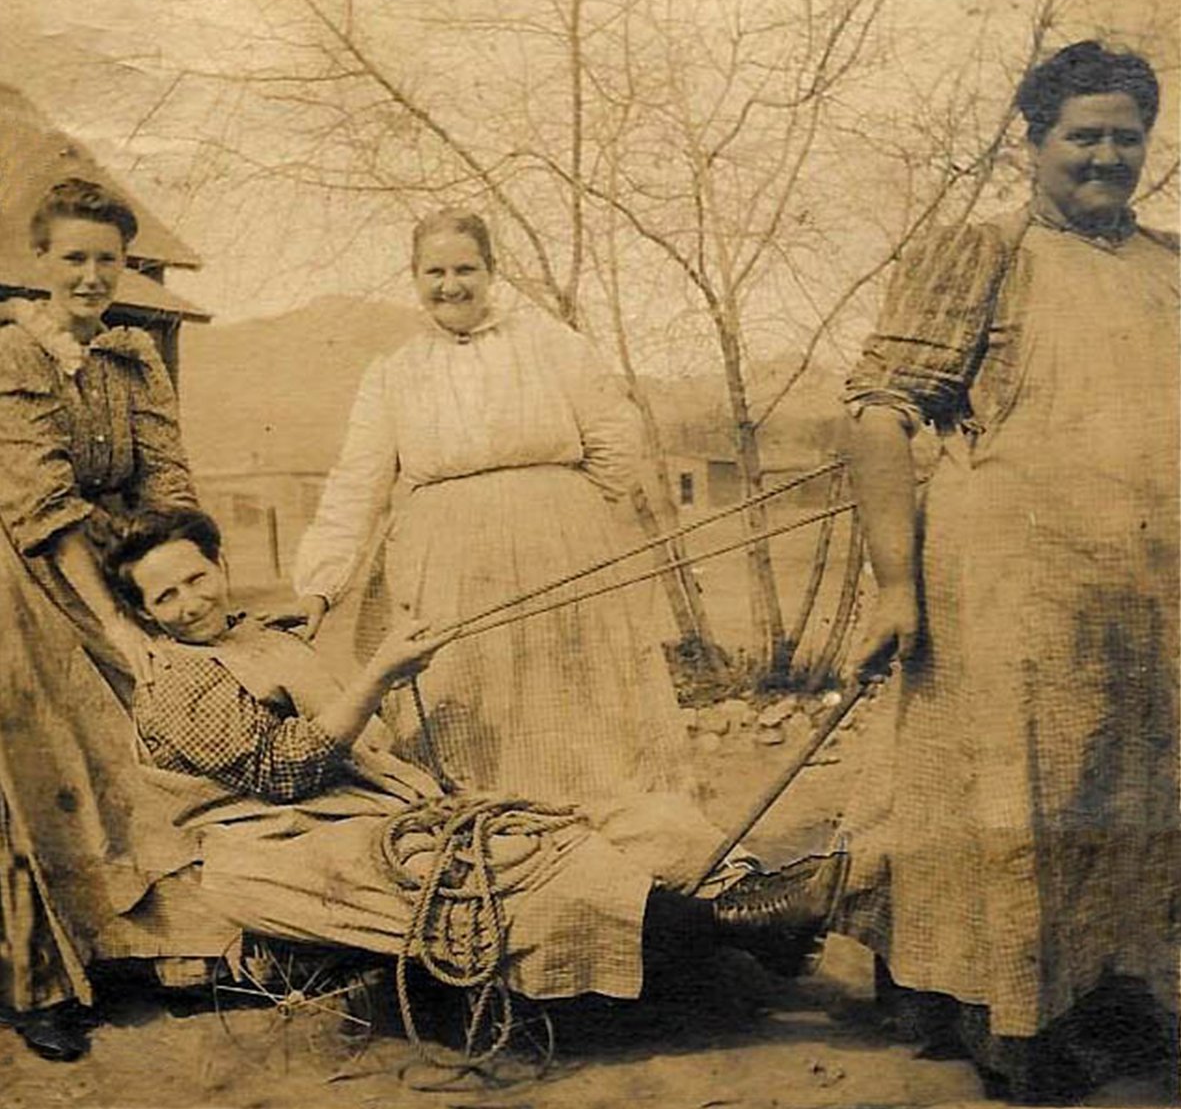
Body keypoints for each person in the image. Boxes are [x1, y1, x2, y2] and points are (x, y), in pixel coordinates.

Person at [104, 506, 848, 1010]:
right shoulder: (174, 684)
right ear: (144, 615)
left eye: (196, 577)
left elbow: (345, 740)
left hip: (351, 812)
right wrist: (375, 676)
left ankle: (750, 896)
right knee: (523, 871)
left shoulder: (259, 637)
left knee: (608, 816)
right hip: (275, 848)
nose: (189, 602)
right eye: (164, 597)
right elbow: (283, 771)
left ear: (218, 564)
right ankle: (731, 924)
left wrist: (393, 686)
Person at [841, 41, 1177, 1102]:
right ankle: (1006, 1017)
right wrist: (895, 586)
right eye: (1083, 135)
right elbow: (876, 415)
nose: (1107, 155)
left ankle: (1106, 989)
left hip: (1141, 589)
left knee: (1130, 793)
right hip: (1006, 584)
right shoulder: (981, 252)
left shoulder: (1168, 267)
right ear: (1031, 142)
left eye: (1126, 136)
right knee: (1011, 796)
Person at [287, 210, 694, 806]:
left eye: (465, 269)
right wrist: (319, 587)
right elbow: (357, 484)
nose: (450, 285)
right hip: (448, 573)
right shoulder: (395, 374)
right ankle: (501, 855)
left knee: (579, 717)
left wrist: (559, 510)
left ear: (491, 271)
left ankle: (620, 856)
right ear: (414, 277)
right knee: (468, 718)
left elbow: (615, 437)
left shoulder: (552, 346)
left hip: (560, 557)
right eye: (435, 272)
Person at [0, 179, 200, 1060]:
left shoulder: (133, 356)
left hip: (113, 562)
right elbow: (40, 505)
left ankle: (156, 953)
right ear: (39, 263)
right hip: (26, 575)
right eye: (73, 258)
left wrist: (175, 589)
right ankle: (37, 983)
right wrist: (117, 627)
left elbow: (166, 482)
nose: (89, 276)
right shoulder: (12, 356)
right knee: (46, 764)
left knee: (153, 740)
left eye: (105, 261)